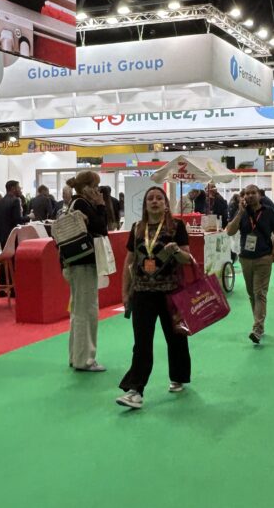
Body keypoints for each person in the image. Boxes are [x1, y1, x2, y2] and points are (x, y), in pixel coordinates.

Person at [117, 185, 193, 409]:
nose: (154, 201)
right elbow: (129, 261)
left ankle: (178, 376)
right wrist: (125, 292)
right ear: (145, 205)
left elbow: (187, 258)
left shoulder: (177, 226)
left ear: (166, 204)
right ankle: (135, 390)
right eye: (150, 198)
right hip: (142, 293)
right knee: (141, 343)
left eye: (159, 198)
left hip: (172, 293)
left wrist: (177, 251)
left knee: (176, 338)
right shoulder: (137, 228)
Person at [62, 171, 108, 372]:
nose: (98, 190)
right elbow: (102, 227)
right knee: (87, 311)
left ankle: (77, 356)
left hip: (74, 262)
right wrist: (101, 205)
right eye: (95, 186)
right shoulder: (82, 204)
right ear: (87, 187)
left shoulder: (74, 203)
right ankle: (85, 359)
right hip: (83, 262)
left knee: (79, 310)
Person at [227, 183, 274, 344]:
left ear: (259, 195)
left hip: (263, 257)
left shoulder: (269, 212)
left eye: (253, 193)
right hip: (245, 258)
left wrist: (273, 253)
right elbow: (230, 231)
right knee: (252, 293)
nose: (250, 196)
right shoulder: (241, 212)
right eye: (247, 193)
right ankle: (259, 324)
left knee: (259, 293)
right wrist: (240, 212)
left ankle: (257, 328)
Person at [0, 180, 26, 293]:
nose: (20, 189)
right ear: (13, 188)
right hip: (11, 236)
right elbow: (17, 220)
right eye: (19, 187)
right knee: (13, 262)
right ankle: (13, 289)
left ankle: (2, 288)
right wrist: (29, 217)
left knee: (3, 260)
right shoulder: (15, 201)